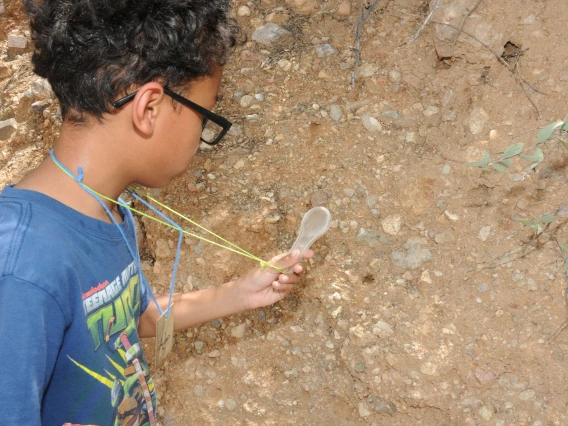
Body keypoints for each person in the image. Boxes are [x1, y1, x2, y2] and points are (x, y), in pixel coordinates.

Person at [0, 0, 312, 424]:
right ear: (149, 108)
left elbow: (131, 316)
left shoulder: (105, 209)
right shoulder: (21, 271)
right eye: (205, 116)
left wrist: (241, 292)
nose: (202, 137)